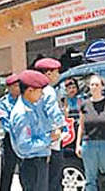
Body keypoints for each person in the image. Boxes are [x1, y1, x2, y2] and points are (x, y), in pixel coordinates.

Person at [75, 74, 105, 191]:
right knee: (90, 179)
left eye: (97, 84)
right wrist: (78, 144)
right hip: (89, 144)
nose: (94, 87)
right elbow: (81, 126)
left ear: (102, 87)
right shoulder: (84, 105)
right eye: (92, 85)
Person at [9, 69, 52, 191]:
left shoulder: (32, 106)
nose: (42, 95)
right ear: (29, 90)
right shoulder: (22, 113)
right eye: (40, 91)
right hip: (32, 164)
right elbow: (25, 145)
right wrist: (49, 138)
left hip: (38, 162)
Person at [34, 58, 66, 191]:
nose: (58, 75)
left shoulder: (35, 91)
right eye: (56, 72)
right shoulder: (48, 91)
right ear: (48, 74)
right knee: (54, 180)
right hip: (51, 141)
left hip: (40, 141)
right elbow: (54, 115)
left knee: (42, 181)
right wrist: (62, 125)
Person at [0, 73, 21, 191]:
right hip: (10, 139)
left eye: (19, 85)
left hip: (25, 138)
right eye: (15, 86)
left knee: (25, 169)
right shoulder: (3, 103)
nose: (18, 88)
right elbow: (5, 123)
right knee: (7, 170)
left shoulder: (25, 99)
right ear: (9, 87)